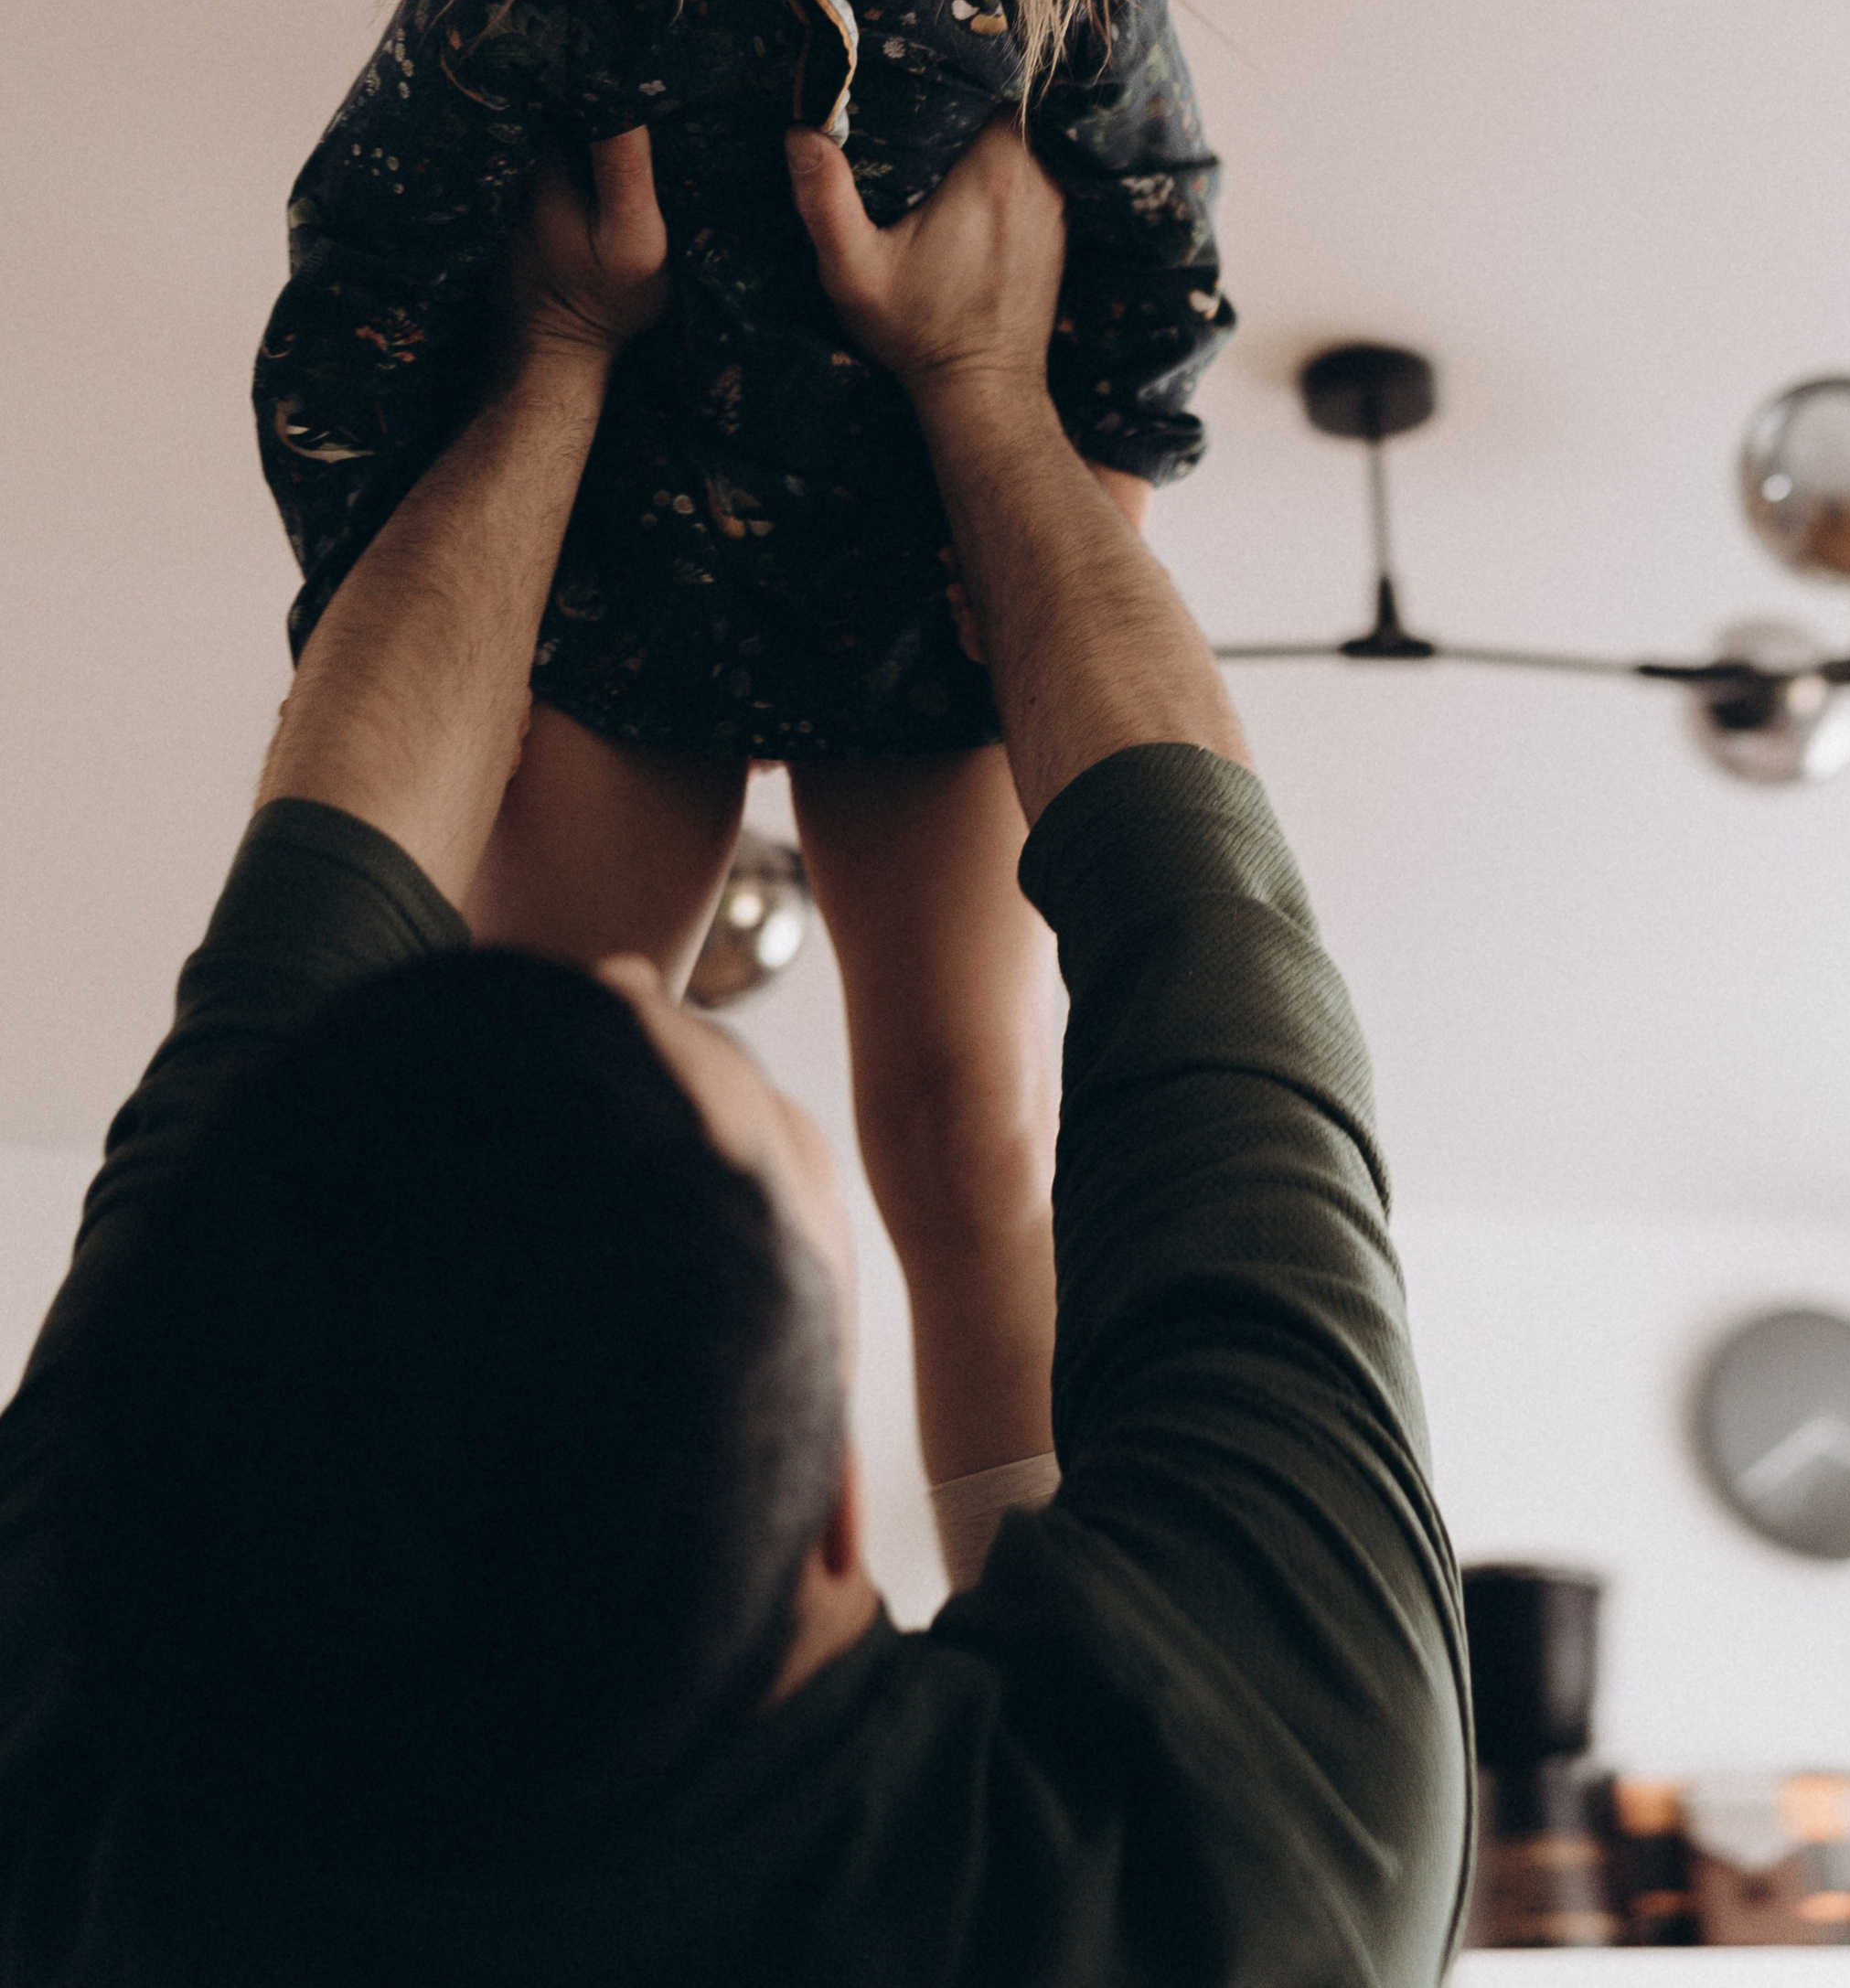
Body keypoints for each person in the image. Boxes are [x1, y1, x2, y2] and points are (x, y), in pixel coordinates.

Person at [0, 116, 1470, 1984]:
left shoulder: (73, 1793)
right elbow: (1199, 912)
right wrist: (983, 390)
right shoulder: (1258, 1851)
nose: (641, 978)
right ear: (839, 1515)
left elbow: (306, 914)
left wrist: (548, 363)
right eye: (711, 1064)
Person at [251, 0, 1233, 1489]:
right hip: (615, 602)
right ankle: (555, 1603)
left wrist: (1091, 523)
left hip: (923, 605)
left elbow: (1157, 249)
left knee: (967, 1132)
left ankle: (1013, 1605)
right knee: (549, 1124)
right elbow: (360, 273)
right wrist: (403, 621)